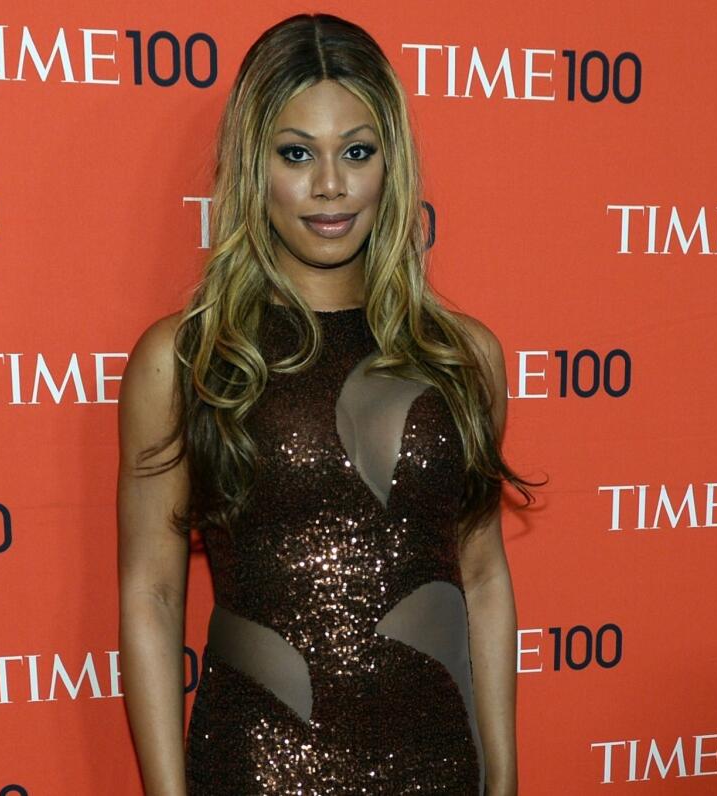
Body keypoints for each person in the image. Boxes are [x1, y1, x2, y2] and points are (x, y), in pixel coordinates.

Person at [117, 12, 543, 795]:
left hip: (438, 766)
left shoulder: (464, 358)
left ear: (391, 163)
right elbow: (152, 592)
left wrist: (504, 777)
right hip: (257, 768)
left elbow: (481, 574)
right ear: (255, 167)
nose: (330, 185)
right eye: (295, 153)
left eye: (356, 151)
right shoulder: (184, 359)